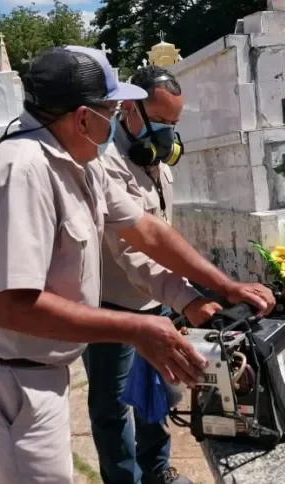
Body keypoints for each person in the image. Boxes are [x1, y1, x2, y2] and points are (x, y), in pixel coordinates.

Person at [0, 46, 276, 484]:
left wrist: (224, 285)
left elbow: (146, 230)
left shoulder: (80, 160)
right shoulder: (21, 173)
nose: (115, 119)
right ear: (83, 117)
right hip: (3, 378)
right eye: (111, 109)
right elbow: (13, 308)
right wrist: (135, 329)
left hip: (34, 369)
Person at [86, 65, 211, 484]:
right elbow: (131, 251)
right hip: (113, 305)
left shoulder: (154, 155)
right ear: (129, 109)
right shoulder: (104, 164)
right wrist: (189, 298)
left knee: (157, 390)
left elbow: (163, 231)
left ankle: (157, 472)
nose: (168, 134)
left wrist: (184, 290)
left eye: (173, 124)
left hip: (158, 299)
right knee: (112, 406)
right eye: (160, 121)